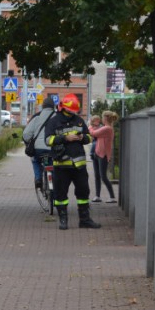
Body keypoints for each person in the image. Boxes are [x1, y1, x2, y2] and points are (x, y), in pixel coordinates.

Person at [43, 93, 100, 230]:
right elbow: (48, 140)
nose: (73, 113)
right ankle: (63, 220)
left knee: (83, 192)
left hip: (79, 166)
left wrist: (82, 138)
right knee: (60, 194)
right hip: (61, 165)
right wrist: (65, 138)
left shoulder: (79, 121)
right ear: (64, 108)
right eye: (71, 110)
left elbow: (89, 137)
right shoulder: (53, 122)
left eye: (74, 111)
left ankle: (84, 220)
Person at [22, 95, 56, 190]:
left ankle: (38, 179)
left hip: (38, 149)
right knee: (53, 164)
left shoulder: (36, 117)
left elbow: (26, 134)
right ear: (53, 106)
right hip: (53, 148)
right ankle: (54, 182)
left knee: (35, 160)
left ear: (43, 106)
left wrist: (28, 142)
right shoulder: (58, 117)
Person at [88, 110, 117, 203]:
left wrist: (90, 126)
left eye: (103, 117)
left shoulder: (108, 129)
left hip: (103, 155)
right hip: (97, 153)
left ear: (106, 118)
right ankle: (97, 196)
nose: (101, 119)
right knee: (97, 176)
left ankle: (112, 197)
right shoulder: (104, 128)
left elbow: (93, 133)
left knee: (103, 176)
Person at [88, 114, 102, 198]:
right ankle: (97, 195)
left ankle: (99, 195)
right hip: (95, 151)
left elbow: (96, 134)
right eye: (96, 120)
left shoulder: (101, 127)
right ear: (93, 121)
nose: (98, 121)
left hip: (100, 151)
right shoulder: (91, 127)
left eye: (98, 120)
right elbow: (92, 134)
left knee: (101, 175)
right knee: (97, 175)